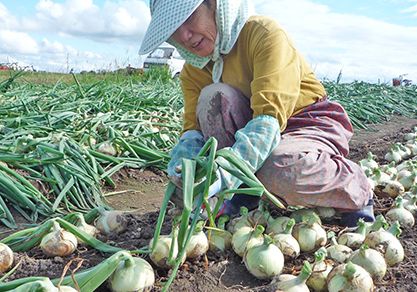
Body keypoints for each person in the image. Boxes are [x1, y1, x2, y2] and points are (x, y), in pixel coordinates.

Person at [139, 0, 374, 227]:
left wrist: (222, 174)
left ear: (216, 5)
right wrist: (183, 171)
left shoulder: (264, 33)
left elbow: (267, 123)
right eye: (172, 29)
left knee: (277, 170)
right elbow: (193, 133)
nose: (184, 36)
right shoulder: (194, 69)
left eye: (189, 18)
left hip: (306, 121)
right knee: (214, 96)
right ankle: (245, 194)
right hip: (254, 129)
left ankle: (353, 184)